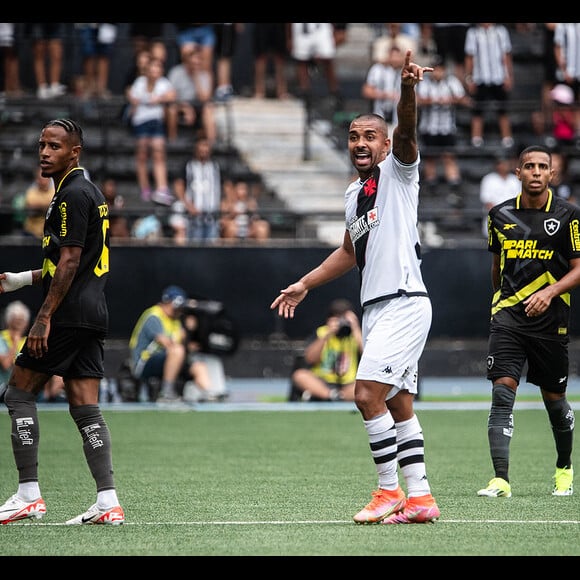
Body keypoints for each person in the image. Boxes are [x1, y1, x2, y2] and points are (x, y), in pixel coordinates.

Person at [270, 50, 440, 525]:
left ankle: (388, 491)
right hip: (378, 308)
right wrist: (305, 283)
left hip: (405, 302)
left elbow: (407, 131)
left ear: (385, 146)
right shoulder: (353, 194)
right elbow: (349, 252)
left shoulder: (399, 172)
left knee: (365, 395)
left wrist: (407, 89)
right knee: (398, 402)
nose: (361, 143)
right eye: (353, 136)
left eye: (370, 137)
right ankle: (421, 498)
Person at [0, 118, 124, 525]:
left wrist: (43, 318)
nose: (44, 152)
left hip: (67, 315)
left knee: (18, 394)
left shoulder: (70, 194)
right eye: (42, 145)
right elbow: (74, 263)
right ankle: (108, 502)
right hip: (93, 313)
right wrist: (20, 280)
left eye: (54, 146)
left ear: (75, 152)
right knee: (85, 406)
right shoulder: (89, 193)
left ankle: (28, 494)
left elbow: (70, 261)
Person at [477, 145, 580, 500]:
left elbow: (579, 269)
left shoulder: (570, 215)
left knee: (555, 400)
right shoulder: (499, 215)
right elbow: (496, 268)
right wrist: (501, 304)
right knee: (502, 393)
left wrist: (549, 293)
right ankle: (501, 479)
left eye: (543, 167)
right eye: (529, 166)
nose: (536, 172)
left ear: (552, 173)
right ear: (517, 173)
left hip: (551, 323)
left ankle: (564, 468)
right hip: (508, 319)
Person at [129, 285, 214, 403]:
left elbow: (180, 344)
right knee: (177, 351)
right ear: (166, 302)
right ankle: (166, 392)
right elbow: (166, 343)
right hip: (145, 362)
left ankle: (209, 394)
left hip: (170, 360)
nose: (178, 311)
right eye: (175, 307)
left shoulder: (176, 320)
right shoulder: (154, 316)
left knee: (198, 365)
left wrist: (189, 332)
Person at [416, 54, 470, 202]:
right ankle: (431, 184)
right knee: (430, 157)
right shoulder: (425, 83)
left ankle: (454, 184)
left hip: (447, 127)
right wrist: (434, 101)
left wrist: (450, 100)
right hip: (429, 127)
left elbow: (464, 100)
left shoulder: (451, 82)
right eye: (435, 69)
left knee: (449, 156)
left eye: (440, 69)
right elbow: (418, 100)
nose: (438, 72)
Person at [289, 298, 362, 402]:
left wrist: (355, 328)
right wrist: (327, 334)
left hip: (349, 384)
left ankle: (330, 397)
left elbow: (368, 355)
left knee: (367, 383)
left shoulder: (356, 335)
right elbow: (309, 359)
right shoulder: (322, 332)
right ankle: (331, 395)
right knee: (300, 376)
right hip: (322, 382)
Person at [127, 56, 176, 205]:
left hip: (156, 122)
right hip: (141, 122)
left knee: (158, 152)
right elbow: (131, 96)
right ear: (147, 70)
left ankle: (162, 188)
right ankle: (145, 188)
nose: (155, 71)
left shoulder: (164, 83)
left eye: (158, 68)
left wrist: (159, 99)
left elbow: (172, 95)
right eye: (153, 68)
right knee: (142, 155)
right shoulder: (139, 82)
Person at [464, 23, 514, 149]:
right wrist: (469, 78)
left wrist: (508, 75)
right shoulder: (473, 33)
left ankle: (507, 137)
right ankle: (476, 138)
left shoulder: (501, 31)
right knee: (477, 110)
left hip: (498, 76)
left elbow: (506, 55)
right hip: (480, 77)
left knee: (502, 109)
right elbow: (470, 57)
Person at [169, 136, 224, 242]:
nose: (204, 149)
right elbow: (178, 185)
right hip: (194, 216)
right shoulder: (188, 165)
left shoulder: (216, 166)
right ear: (196, 147)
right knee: (195, 245)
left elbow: (227, 186)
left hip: (212, 215)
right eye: (201, 146)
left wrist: (224, 204)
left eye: (206, 146)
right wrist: (188, 205)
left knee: (212, 247)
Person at [166, 44, 217, 144]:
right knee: (171, 109)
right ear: (187, 61)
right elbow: (170, 96)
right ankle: (173, 142)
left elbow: (205, 99)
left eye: (199, 60)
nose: (196, 63)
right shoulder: (176, 72)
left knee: (209, 109)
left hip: (198, 107)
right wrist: (184, 107)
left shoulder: (205, 75)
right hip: (179, 106)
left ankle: (212, 143)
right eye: (193, 60)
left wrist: (196, 78)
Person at [479, 152, 520, 238]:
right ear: (497, 165)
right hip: (495, 221)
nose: (505, 165)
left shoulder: (515, 180)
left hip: (513, 221)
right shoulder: (488, 179)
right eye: (502, 163)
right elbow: (488, 203)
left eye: (507, 163)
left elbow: (520, 201)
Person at [23, 23, 67, 99]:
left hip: (54, 26)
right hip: (38, 25)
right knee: (39, 55)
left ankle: (54, 86)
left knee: (57, 54)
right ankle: (42, 88)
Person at [22, 167, 55, 239]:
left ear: (49, 179)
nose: (43, 180)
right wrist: (48, 206)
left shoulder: (54, 192)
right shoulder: (31, 192)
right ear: (36, 179)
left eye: (45, 177)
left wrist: (40, 207)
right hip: (31, 232)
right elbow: (32, 206)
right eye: (40, 178)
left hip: (49, 233)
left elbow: (56, 207)